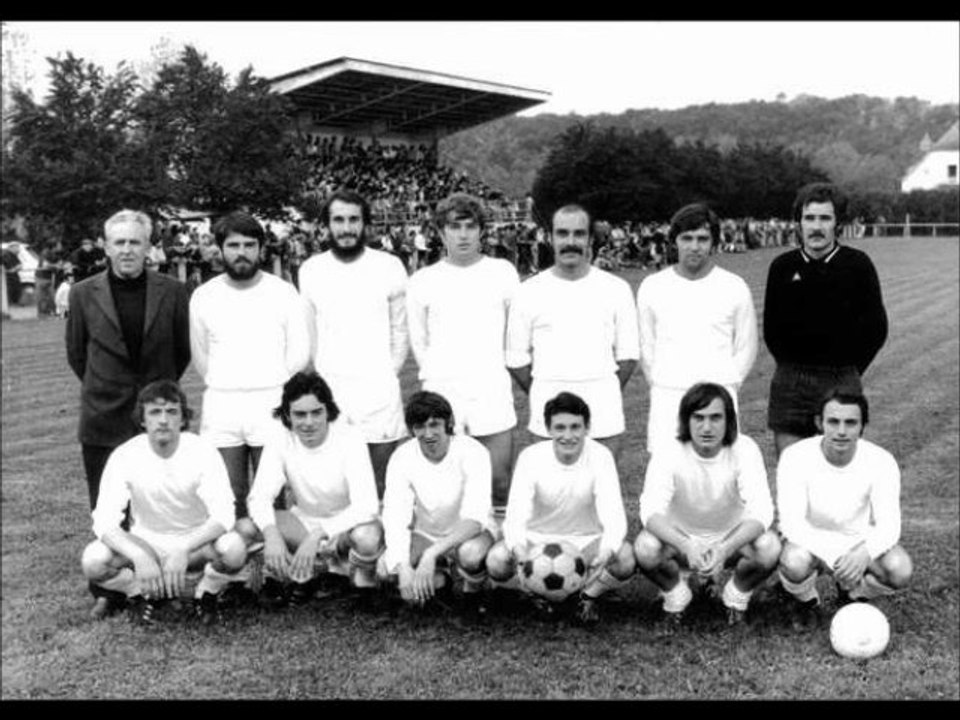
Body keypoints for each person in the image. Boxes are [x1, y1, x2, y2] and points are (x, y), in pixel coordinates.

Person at [66, 209, 192, 618]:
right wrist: (110, 388)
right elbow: (77, 354)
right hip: (103, 416)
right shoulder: (83, 293)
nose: (126, 250)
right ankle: (109, 589)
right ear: (105, 246)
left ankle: (160, 583)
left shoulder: (173, 291)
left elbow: (181, 352)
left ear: (148, 245)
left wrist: (154, 398)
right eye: (118, 242)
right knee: (106, 507)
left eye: (134, 242)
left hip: (157, 417)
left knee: (157, 504)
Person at [80, 380, 248, 625]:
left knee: (234, 548)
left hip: (196, 544)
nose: (163, 420)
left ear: (182, 418)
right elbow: (104, 521)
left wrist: (184, 549)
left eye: (171, 411)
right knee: (93, 560)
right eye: (155, 412)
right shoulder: (125, 455)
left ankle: (207, 593)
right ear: (142, 419)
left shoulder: (202, 451)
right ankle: (139, 594)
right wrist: (139, 556)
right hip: (147, 542)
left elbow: (224, 515)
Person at [189, 211, 312, 523]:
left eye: (249, 244)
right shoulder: (204, 296)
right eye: (233, 245)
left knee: (272, 494)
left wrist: (274, 384)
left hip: (270, 402)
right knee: (228, 496)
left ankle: (276, 569)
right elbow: (201, 356)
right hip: (222, 404)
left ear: (261, 249)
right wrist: (228, 381)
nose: (241, 252)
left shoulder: (282, 292)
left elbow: (299, 352)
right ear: (220, 249)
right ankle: (238, 570)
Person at [406, 193, 520, 528]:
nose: (464, 234)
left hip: (490, 387)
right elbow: (419, 342)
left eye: (471, 226)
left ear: (482, 230)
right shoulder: (423, 280)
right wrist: (441, 376)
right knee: (446, 480)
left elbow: (513, 334)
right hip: (443, 388)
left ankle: (499, 553)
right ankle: (453, 557)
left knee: (499, 480)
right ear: (441, 233)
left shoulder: (503, 272)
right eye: (455, 227)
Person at [634, 383, 780, 632]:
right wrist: (686, 544)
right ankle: (676, 597)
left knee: (770, 546)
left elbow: (762, 510)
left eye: (715, 418)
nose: (707, 427)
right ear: (686, 420)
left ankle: (735, 599)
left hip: (731, 539)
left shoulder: (744, 449)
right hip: (681, 539)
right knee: (645, 547)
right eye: (698, 418)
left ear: (729, 420)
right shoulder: (668, 450)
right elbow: (650, 510)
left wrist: (725, 548)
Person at [485, 392, 636, 627]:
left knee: (625, 558)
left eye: (576, 427)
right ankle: (536, 593)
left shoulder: (601, 456)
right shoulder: (531, 458)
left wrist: (606, 551)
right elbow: (515, 515)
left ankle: (587, 597)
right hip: (537, 543)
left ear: (587, 428)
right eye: (560, 428)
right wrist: (520, 552)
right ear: (549, 429)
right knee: (496, 560)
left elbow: (614, 515)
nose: (568, 436)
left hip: (586, 541)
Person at [506, 203, 639, 464]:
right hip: (547, 413)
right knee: (551, 498)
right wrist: (545, 392)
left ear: (590, 239)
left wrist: (604, 388)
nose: (570, 242)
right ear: (550, 237)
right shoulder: (528, 291)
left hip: (604, 414)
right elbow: (515, 358)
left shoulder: (616, 289)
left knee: (601, 497)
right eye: (562, 233)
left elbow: (629, 355)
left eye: (578, 234)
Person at [298, 189, 410, 498]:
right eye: (338, 220)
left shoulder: (389, 266)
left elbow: (401, 331)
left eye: (353, 220)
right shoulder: (311, 270)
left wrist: (387, 373)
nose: (346, 228)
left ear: (366, 225)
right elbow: (309, 333)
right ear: (326, 226)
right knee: (338, 486)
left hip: (379, 389)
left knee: (381, 485)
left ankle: (381, 545)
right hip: (333, 389)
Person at [763, 182, 888, 458]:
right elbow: (772, 331)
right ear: (798, 223)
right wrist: (793, 368)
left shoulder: (858, 265)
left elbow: (876, 329)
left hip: (841, 379)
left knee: (839, 475)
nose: (816, 226)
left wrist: (849, 370)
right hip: (790, 381)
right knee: (791, 472)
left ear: (837, 224)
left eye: (824, 218)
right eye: (809, 218)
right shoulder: (782, 267)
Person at [776, 389, 912, 630]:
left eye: (850, 423)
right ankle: (806, 600)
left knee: (900, 569)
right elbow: (791, 523)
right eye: (833, 421)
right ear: (820, 423)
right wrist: (834, 556)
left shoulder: (881, 461)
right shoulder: (795, 457)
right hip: (809, 539)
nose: (841, 431)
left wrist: (864, 553)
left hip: (856, 539)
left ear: (862, 426)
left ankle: (855, 596)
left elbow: (890, 524)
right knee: (794, 562)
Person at [245, 371, 383, 606]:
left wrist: (319, 534)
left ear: (328, 411)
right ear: (287, 414)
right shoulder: (280, 438)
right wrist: (272, 535)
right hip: (304, 524)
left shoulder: (350, 437)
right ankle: (287, 576)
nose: (308, 422)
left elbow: (367, 505)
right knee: (247, 528)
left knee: (367, 536)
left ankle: (361, 581)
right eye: (299, 414)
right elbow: (259, 497)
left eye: (316, 412)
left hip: (345, 529)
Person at [636, 203, 758, 458]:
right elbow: (646, 346)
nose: (694, 246)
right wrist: (662, 381)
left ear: (713, 242)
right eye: (687, 238)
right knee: (666, 482)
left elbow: (746, 346)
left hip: (719, 397)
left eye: (702, 239)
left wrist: (726, 385)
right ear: (674, 241)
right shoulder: (653, 287)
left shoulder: (734, 287)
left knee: (720, 481)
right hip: (669, 396)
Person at [381, 391, 495, 619]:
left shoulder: (473, 452)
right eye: (420, 427)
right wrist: (403, 567)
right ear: (412, 429)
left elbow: (475, 519)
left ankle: (474, 594)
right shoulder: (402, 457)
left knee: (471, 555)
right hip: (426, 535)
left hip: (469, 536)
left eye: (434, 424)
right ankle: (440, 581)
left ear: (449, 423)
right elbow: (395, 515)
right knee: (385, 570)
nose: (428, 433)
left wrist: (431, 554)